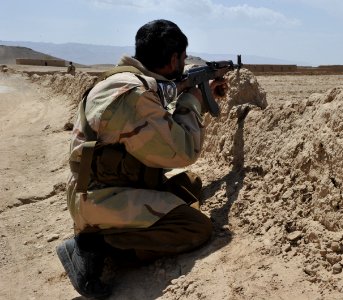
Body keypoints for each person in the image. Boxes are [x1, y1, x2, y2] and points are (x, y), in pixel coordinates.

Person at [56, 19, 226, 298]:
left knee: (190, 185)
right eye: (183, 58)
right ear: (173, 59)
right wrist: (192, 100)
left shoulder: (122, 81)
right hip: (101, 199)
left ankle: (110, 232)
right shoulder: (133, 95)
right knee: (195, 227)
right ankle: (95, 246)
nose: (184, 64)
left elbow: (154, 133)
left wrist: (191, 95)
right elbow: (182, 152)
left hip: (101, 188)